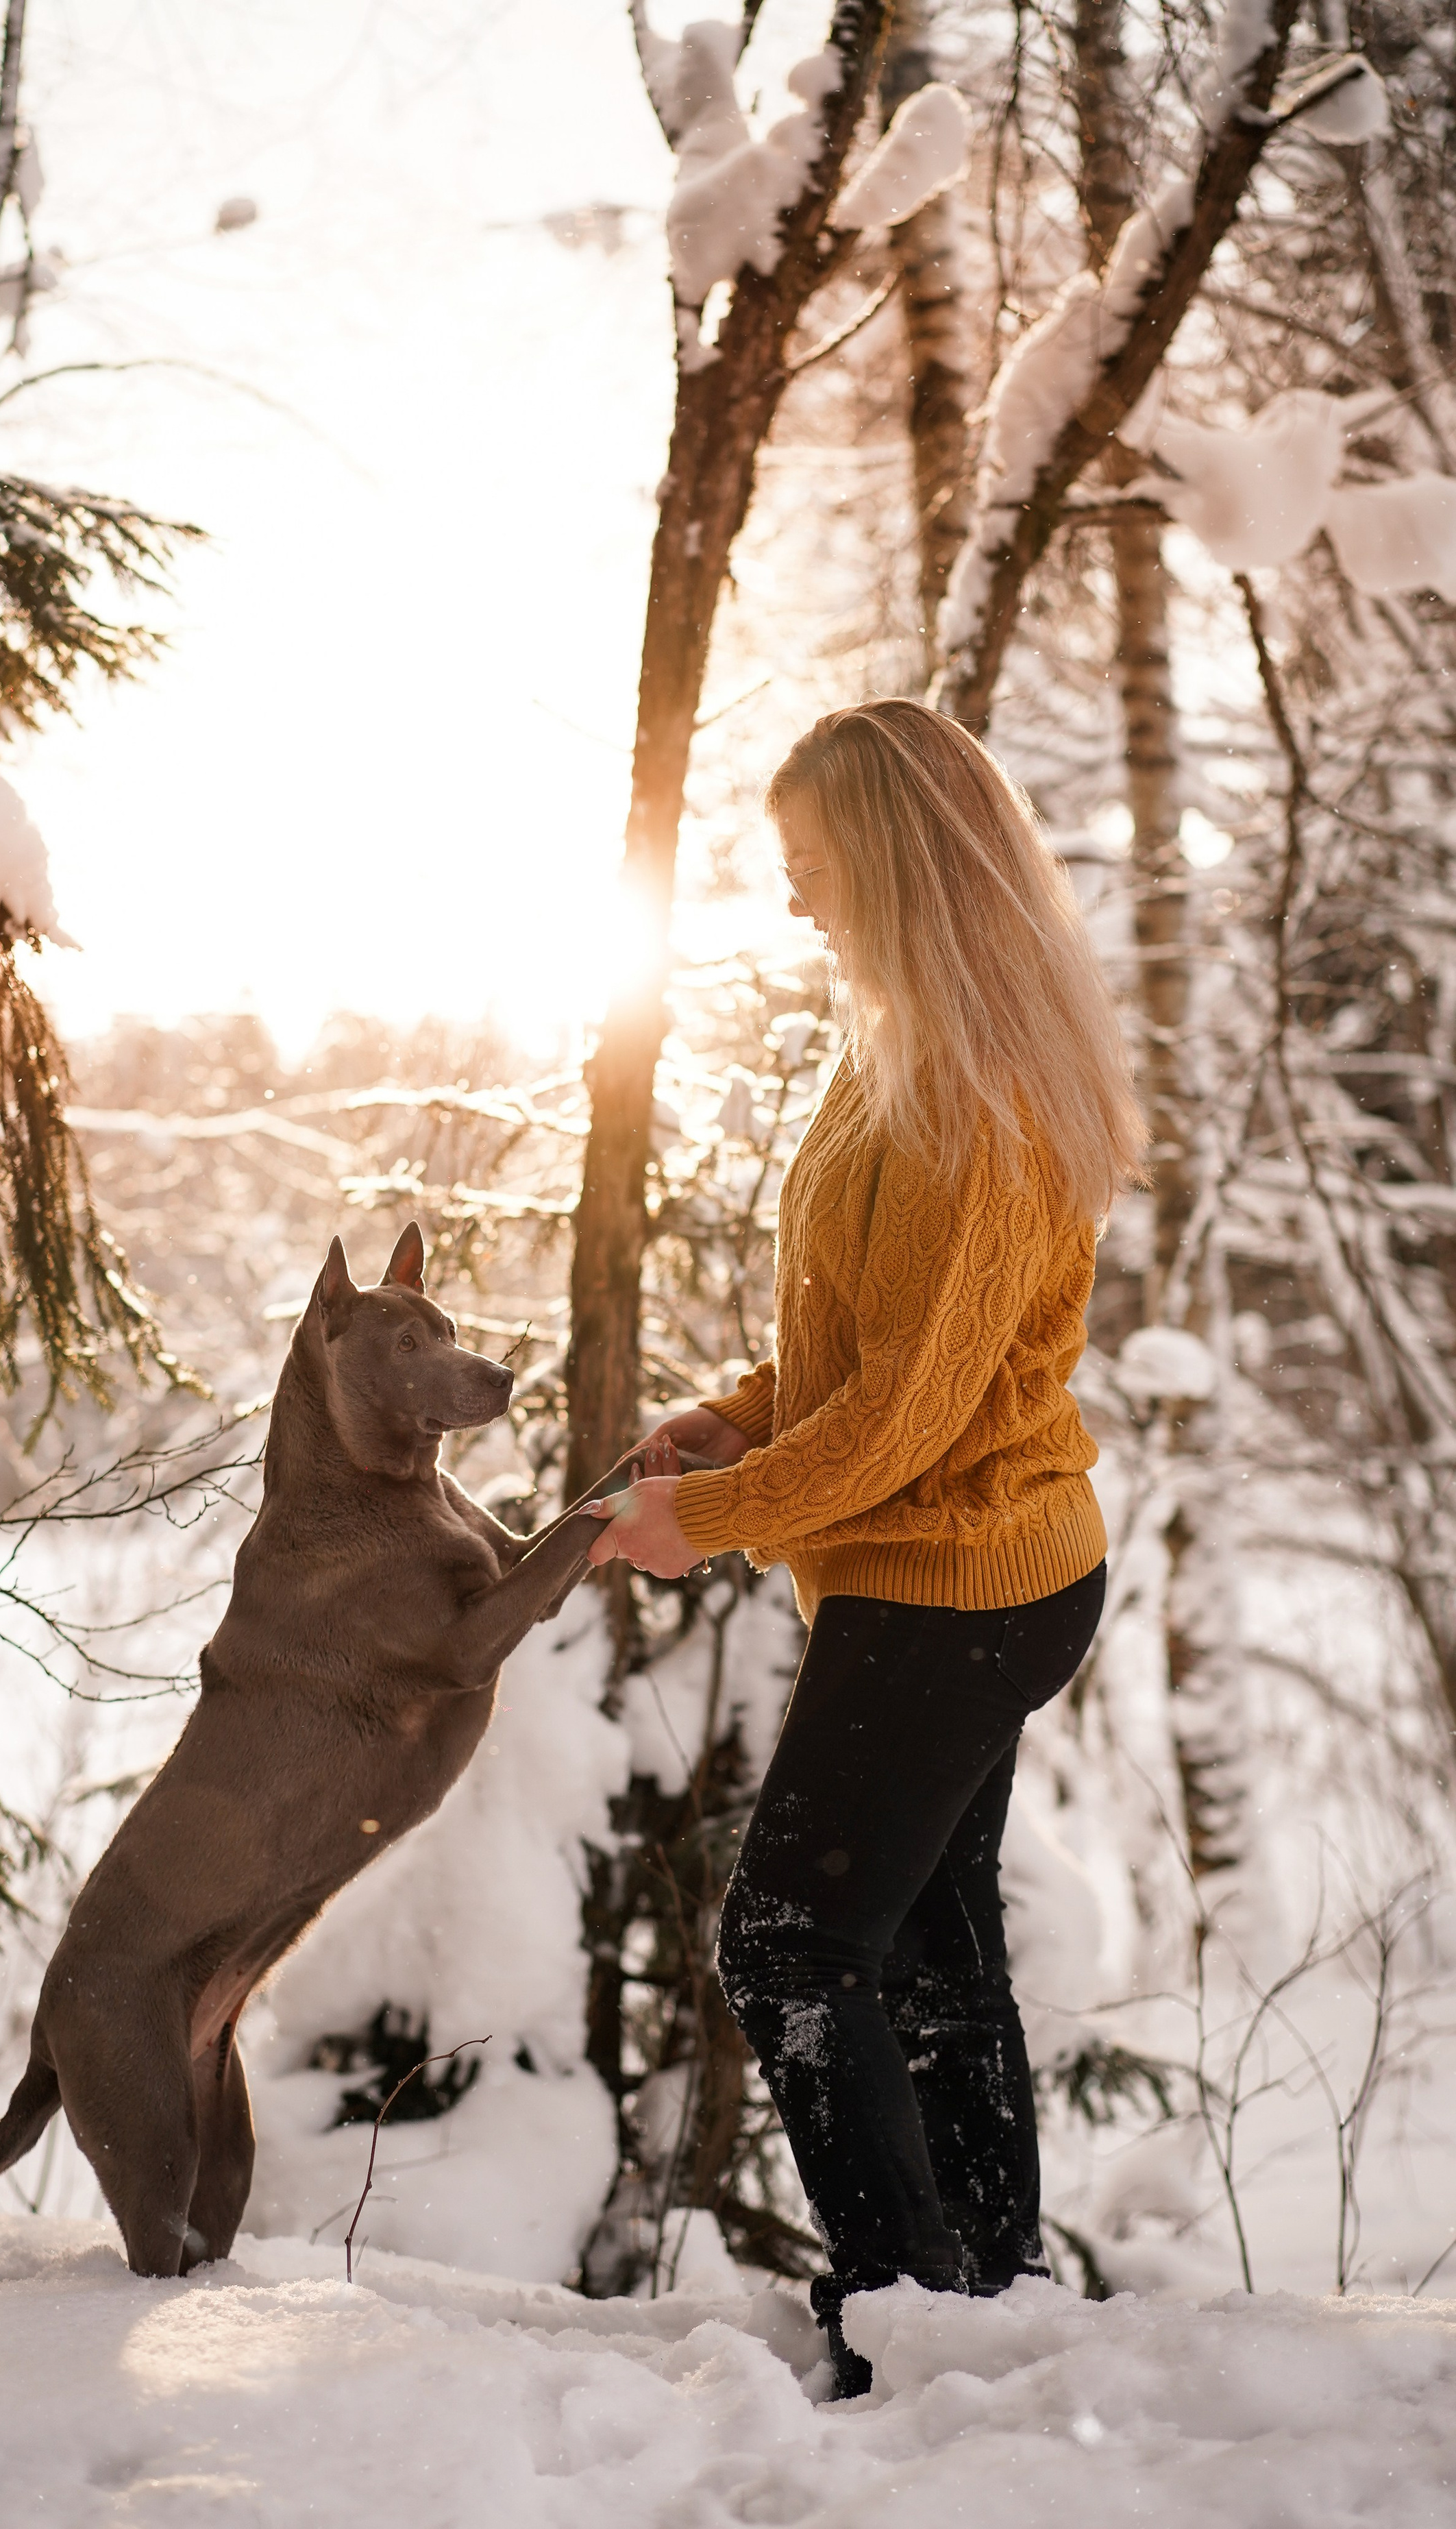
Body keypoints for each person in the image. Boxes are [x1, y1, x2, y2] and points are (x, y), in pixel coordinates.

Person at [587, 698, 1146, 2398]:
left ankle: (900, 2318)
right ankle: (987, 2302)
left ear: (897, 868)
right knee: (928, 1946)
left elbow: (908, 1418)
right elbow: (867, 1345)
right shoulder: (903, 1042)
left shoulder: (976, 1095)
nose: (796, 903)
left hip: (961, 1580)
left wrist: (710, 1519)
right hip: (945, 1566)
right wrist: (741, 1421)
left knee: (787, 1941)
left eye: (815, 869)